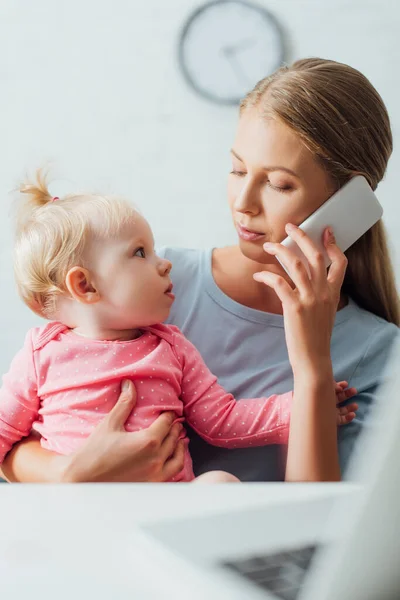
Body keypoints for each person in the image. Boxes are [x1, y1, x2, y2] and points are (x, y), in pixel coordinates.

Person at [1, 57, 398, 484]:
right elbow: (18, 440)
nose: (243, 201)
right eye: (237, 169)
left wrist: (313, 368)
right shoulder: (150, 287)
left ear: (350, 203)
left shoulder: (379, 353)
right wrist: (69, 473)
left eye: (279, 184)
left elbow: (316, 526)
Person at [0, 173, 358, 482]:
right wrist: (65, 474)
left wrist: (303, 409)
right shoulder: (41, 354)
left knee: (219, 483)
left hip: (168, 512)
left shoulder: (171, 347)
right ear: (86, 286)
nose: (165, 263)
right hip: (79, 517)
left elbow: (222, 420)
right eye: (140, 253)